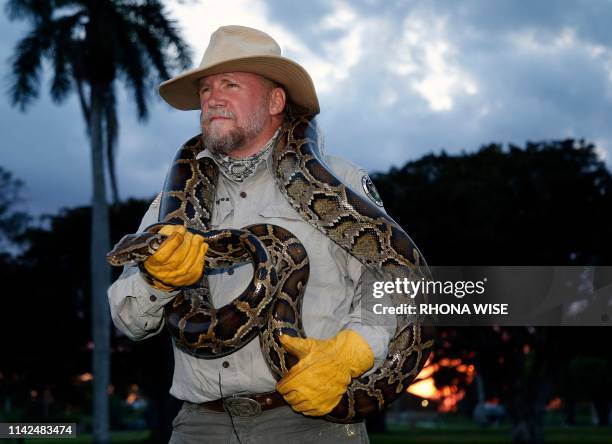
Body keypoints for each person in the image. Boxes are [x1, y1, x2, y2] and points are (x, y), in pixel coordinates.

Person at [108, 25, 394, 444]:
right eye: (205, 89)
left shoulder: (342, 180)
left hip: (310, 423)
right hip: (199, 425)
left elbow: (395, 283)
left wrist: (358, 348)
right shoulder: (170, 202)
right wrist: (156, 281)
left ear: (276, 100)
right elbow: (126, 319)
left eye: (230, 84)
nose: (212, 98)